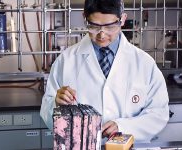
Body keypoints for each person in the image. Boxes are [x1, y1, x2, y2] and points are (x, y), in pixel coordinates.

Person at [40, 0, 169, 142]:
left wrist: (123, 126)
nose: (101, 35)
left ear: (122, 20)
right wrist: (57, 105)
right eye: (94, 26)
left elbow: (159, 114)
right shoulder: (65, 61)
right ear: (85, 18)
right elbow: (46, 110)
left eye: (110, 26)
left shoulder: (144, 63)